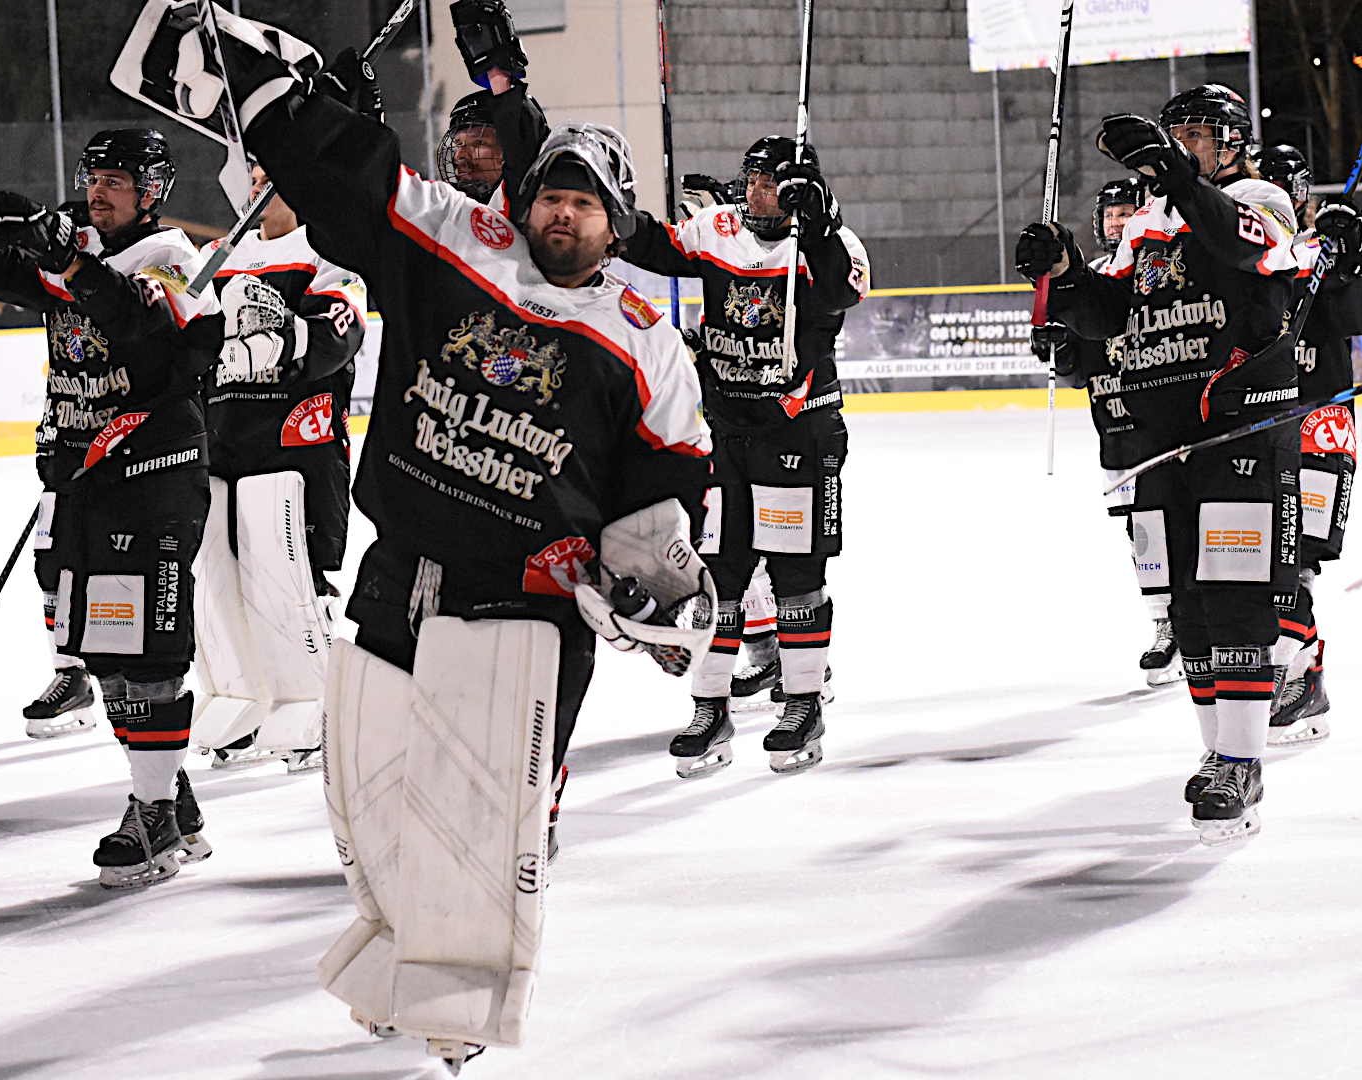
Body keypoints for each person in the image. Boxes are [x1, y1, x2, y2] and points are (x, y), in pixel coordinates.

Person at [142, 16, 714, 1068]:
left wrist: (655, 576)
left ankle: (466, 1006)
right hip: (397, 572)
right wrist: (278, 92)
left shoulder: (646, 339)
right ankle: (412, 964)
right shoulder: (460, 239)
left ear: (617, 222)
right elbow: (354, 180)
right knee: (369, 800)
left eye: (585, 202)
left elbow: (671, 483)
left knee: (490, 820)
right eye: (552, 191)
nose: (563, 211)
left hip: (525, 601)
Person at [0, 127, 222, 889]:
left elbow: (139, 322)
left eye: (118, 179)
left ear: (153, 191)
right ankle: (170, 797)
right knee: (106, 655)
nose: (101, 189)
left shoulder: (172, 258)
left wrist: (68, 256)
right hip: (88, 475)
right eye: (94, 176)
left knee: (146, 653)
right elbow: (3, 276)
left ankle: (151, 816)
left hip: (154, 472)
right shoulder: (76, 245)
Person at [1016, 84, 1302, 846]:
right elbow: (1110, 312)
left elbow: (1242, 245)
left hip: (1239, 427)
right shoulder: (1148, 221)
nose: (1184, 146)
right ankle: (1217, 752)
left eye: (1198, 135)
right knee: (1189, 606)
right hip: (1161, 436)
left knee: (1237, 596)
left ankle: (1243, 757)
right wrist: (1066, 274)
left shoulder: (1259, 196)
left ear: (1232, 142)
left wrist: (1176, 173)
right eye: (1176, 135)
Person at [612, 133, 871, 778]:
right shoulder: (718, 230)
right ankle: (709, 707)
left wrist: (815, 222)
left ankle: (804, 703)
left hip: (798, 435)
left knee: (794, 576)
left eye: (772, 182)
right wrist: (612, 211)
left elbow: (841, 291)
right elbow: (657, 247)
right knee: (718, 575)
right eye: (751, 179)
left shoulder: (831, 240)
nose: (757, 192)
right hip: (728, 437)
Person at [191, 163, 366, 771]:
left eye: (274, 166)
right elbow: (181, 327)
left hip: (298, 443)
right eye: (254, 168)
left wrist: (274, 344)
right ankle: (239, 702)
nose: (263, 180)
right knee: (216, 581)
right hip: (222, 441)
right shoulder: (216, 254)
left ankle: (310, 702)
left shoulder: (328, 251)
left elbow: (340, 330)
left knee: (291, 579)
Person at [1255, 144, 1362, 746]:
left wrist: (1350, 257)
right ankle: (1284, 669)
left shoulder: (1334, 239)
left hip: (1320, 422)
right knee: (1255, 561)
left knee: (1299, 562)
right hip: (1256, 420)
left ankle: (1300, 678)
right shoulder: (1248, 248)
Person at [1032, 176, 1179, 688]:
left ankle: (1188, 619)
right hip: (1116, 425)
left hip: (1163, 417)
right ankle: (1166, 623)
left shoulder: (1161, 267)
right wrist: (1061, 347)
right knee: (1141, 533)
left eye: (1126, 213)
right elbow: (1077, 375)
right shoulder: (1089, 279)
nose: (1117, 222)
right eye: (1110, 215)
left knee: (1176, 522)